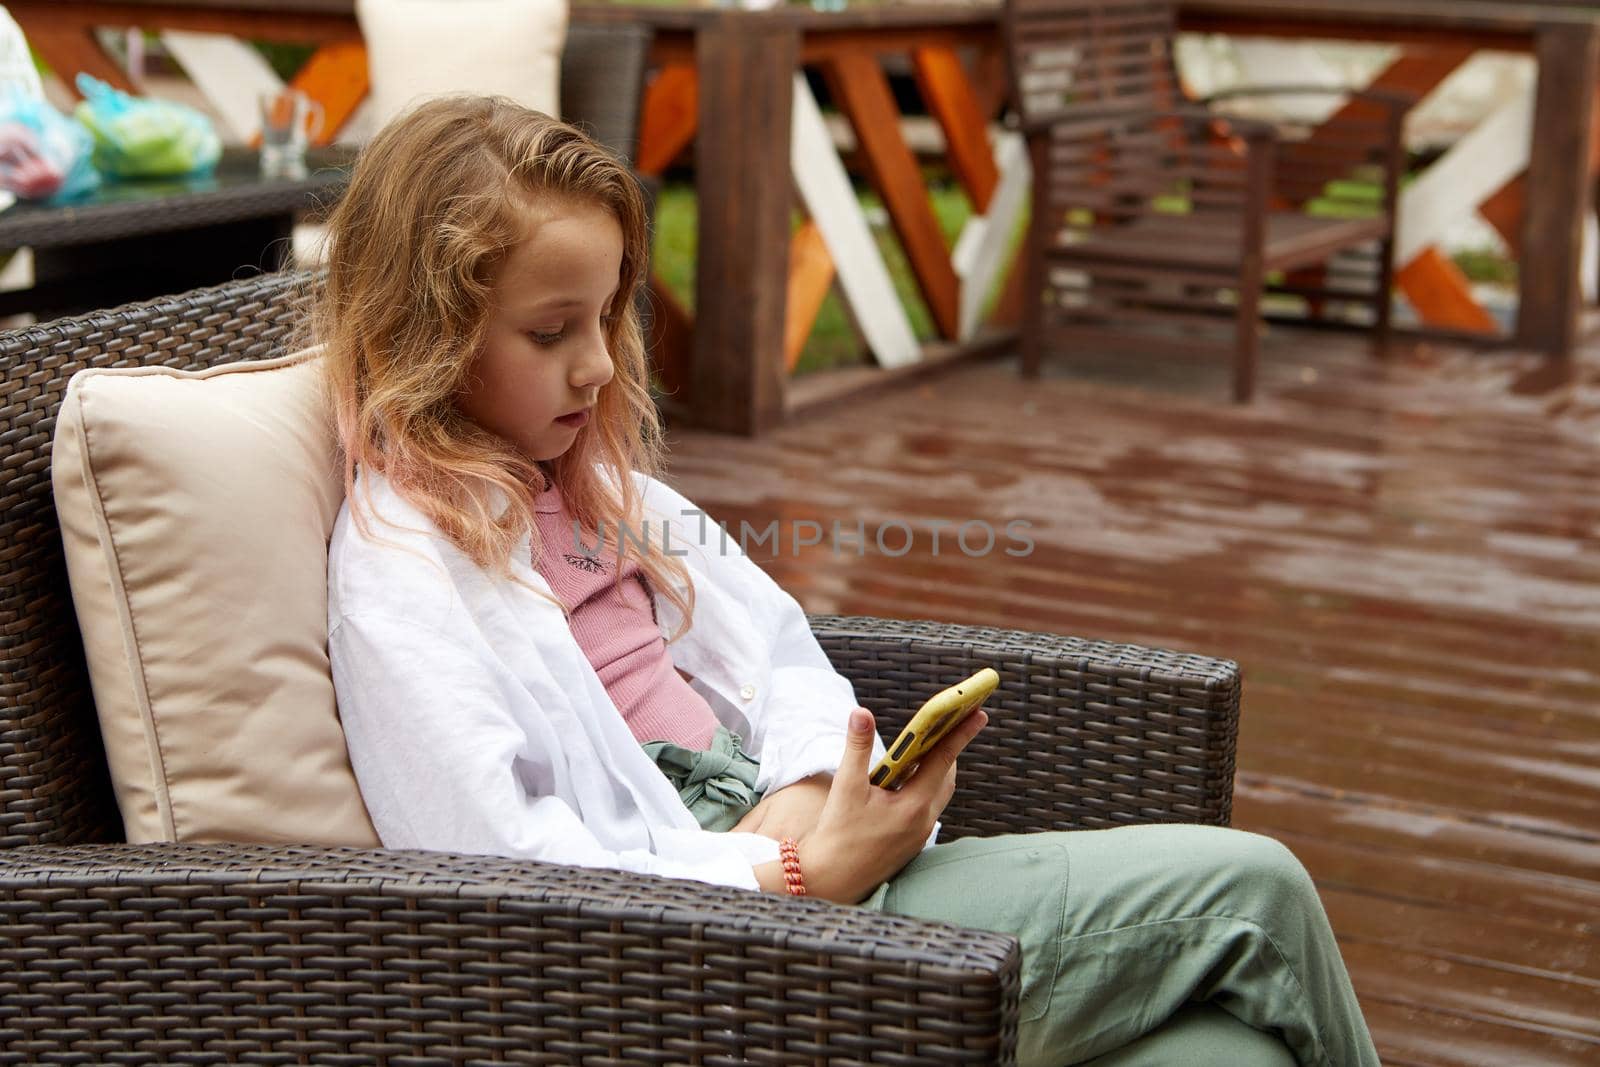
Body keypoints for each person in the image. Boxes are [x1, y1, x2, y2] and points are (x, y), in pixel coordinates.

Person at [320, 95, 1382, 1067]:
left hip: (793, 856)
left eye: (605, 317)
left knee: (1228, 1054)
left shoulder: (598, 489)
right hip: (703, 957)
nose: (597, 364)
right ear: (431, 332)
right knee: (1256, 891)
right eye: (551, 332)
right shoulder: (405, 568)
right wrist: (793, 875)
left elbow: (782, 652)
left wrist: (805, 790)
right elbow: (497, 870)